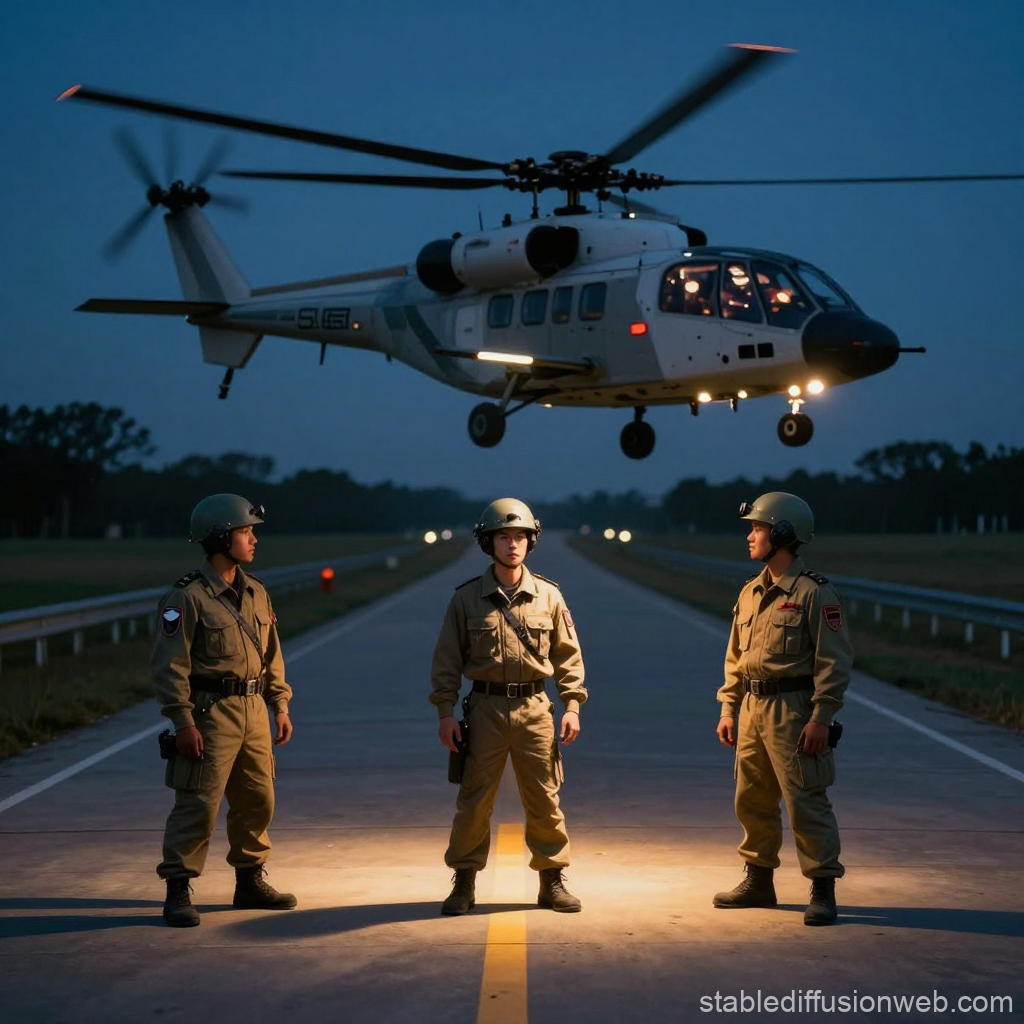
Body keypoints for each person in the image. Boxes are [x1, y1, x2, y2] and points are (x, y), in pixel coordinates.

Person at [430, 498, 587, 915]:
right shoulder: (466, 600)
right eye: (504, 536)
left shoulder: (549, 596)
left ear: (531, 541)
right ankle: (463, 882)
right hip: (484, 709)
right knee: (474, 799)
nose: (513, 544)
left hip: (536, 707)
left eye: (520, 536)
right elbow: (446, 660)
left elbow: (568, 656)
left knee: (544, 797)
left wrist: (571, 704)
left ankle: (551, 881)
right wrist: (445, 713)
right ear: (489, 543)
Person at [152, 493, 296, 927]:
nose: (253, 540)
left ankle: (249, 880)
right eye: (245, 531)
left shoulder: (256, 592)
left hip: (253, 709)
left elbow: (272, 655)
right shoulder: (186, 599)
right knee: (198, 803)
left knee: (258, 799)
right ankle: (178, 887)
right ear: (220, 537)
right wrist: (182, 721)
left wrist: (280, 704)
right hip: (210, 713)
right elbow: (169, 666)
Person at [714, 492, 853, 926]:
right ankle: (759, 880)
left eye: (757, 528)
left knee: (805, 800)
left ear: (782, 533)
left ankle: (822, 887)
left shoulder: (814, 593)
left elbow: (834, 660)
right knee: (751, 798)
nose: (750, 536)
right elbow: (736, 657)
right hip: (753, 708)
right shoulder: (750, 593)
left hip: (793, 710)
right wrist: (728, 708)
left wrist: (821, 716)